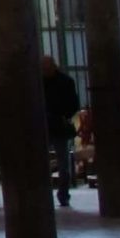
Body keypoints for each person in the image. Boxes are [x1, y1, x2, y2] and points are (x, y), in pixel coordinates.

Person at [41, 55, 81, 208]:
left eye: (47, 67)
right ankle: (45, 193)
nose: (45, 70)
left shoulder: (65, 82)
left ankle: (63, 194)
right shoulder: (38, 82)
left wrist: (63, 115)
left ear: (54, 66)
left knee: (63, 163)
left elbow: (74, 104)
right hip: (43, 125)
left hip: (58, 125)